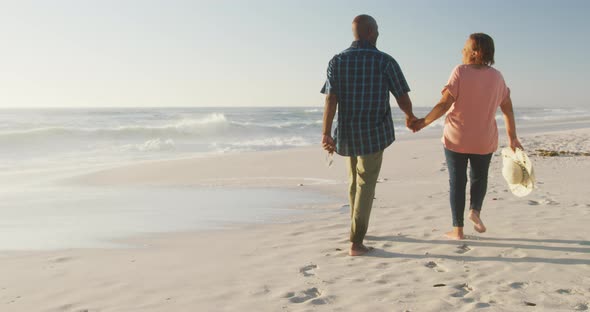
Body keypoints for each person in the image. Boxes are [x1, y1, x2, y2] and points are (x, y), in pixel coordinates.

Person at [411, 33, 523, 240]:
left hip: (456, 139)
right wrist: (512, 138)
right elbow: (508, 109)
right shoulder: (497, 77)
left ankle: (458, 230)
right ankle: (475, 211)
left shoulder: (460, 72)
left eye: (465, 47)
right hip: (484, 139)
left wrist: (423, 122)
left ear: (475, 52)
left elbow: (444, 104)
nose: (462, 51)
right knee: (479, 178)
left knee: (457, 181)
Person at [321, 15, 416, 256]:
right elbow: (401, 95)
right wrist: (410, 116)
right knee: (365, 183)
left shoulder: (337, 61)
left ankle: (357, 227)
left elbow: (331, 98)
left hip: (347, 132)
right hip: (375, 131)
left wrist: (325, 132)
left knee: (354, 181)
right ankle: (356, 241)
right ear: (371, 32)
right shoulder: (385, 61)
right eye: (378, 30)